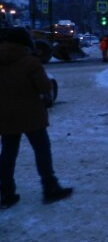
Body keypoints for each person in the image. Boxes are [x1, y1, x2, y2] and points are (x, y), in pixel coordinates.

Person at [0, 27, 73, 208]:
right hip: (31, 114)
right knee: (41, 150)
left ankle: (7, 193)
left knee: (8, 154)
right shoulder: (30, 62)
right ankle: (50, 188)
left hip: (5, 116)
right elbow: (44, 87)